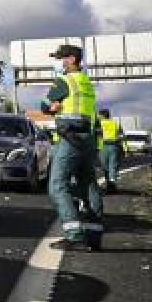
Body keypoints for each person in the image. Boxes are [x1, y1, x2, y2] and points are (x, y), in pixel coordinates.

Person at [41, 44, 104, 251]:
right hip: (88, 139)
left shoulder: (64, 80)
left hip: (70, 137)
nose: (61, 62)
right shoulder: (85, 81)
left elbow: (45, 105)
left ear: (72, 59)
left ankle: (74, 234)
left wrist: (51, 108)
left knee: (57, 185)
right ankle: (94, 235)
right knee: (89, 185)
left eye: (63, 58)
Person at [97, 108, 123, 195]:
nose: (98, 116)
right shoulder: (115, 123)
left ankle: (111, 182)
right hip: (114, 145)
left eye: (99, 115)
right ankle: (111, 183)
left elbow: (96, 134)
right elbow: (121, 136)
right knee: (113, 164)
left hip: (103, 146)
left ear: (102, 115)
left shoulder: (99, 124)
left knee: (105, 166)